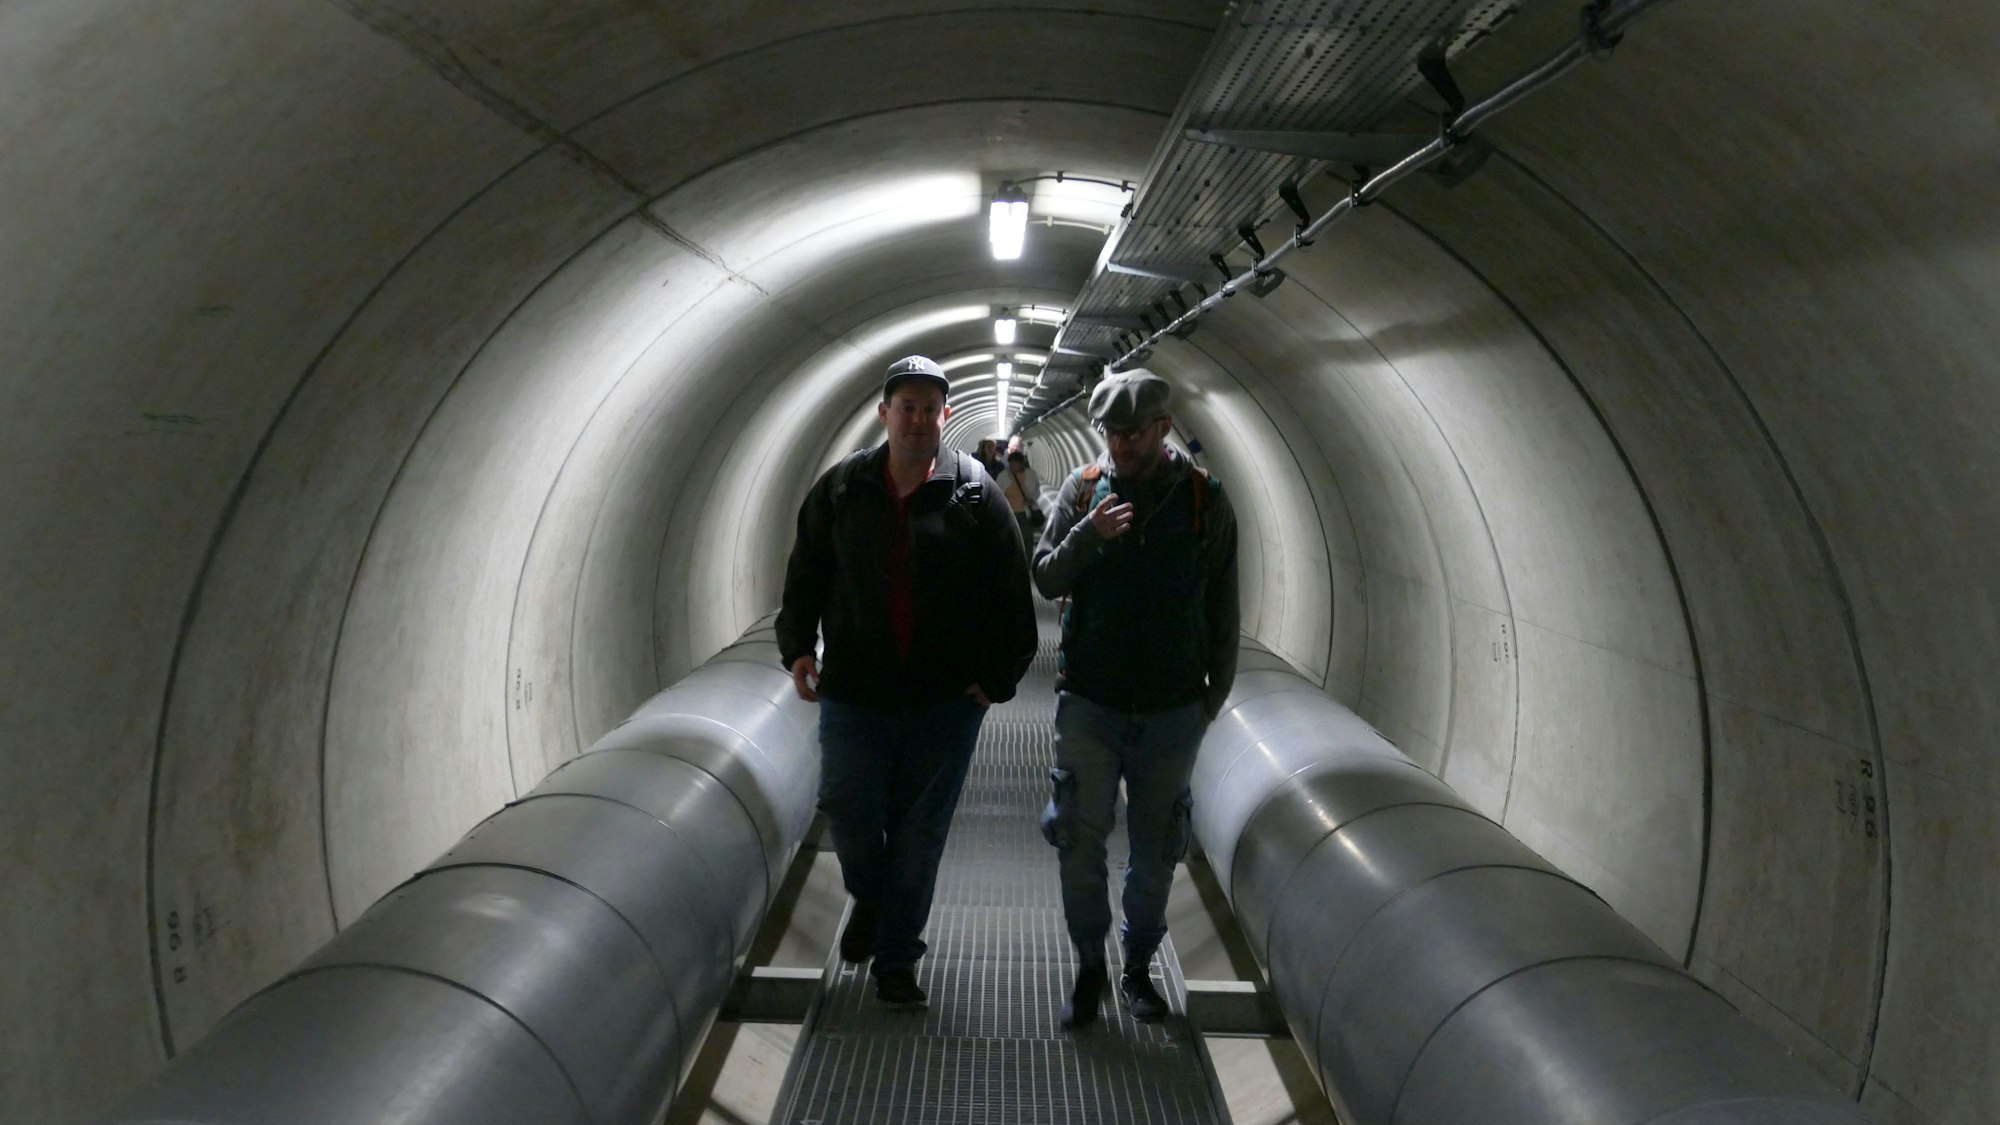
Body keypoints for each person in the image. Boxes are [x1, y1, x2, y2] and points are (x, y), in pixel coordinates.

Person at [777, 354, 1039, 1010]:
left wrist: (997, 680)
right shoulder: (841, 489)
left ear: (945, 415)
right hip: (855, 691)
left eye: (930, 408)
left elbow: (1014, 590)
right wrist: (797, 646)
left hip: (944, 701)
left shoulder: (975, 493)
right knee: (847, 808)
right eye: (907, 406)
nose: (918, 419)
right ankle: (871, 897)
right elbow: (806, 570)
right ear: (884, 412)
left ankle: (896, 957)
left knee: (919, 834)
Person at [1030, 370, 1239, 1028]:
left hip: (1173, 709)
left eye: (1132, 433)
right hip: (1090, 700)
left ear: (1162, 428)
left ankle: (1137, 965)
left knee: (1156, 851)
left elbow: (1224, 606)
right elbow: (1045, 575)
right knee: (1079, 840)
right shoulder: (1084, 489)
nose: (1118, 445)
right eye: (1110, 433)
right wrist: (1090, 533)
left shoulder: (1204, 500)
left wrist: (1212, 699)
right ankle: (1089, 966)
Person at [1000, 449, 1043, 559]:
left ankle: (1027, 563)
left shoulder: (1030, 475)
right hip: (1010, 513)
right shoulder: (1003, 476)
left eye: (1015, 464)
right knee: (1012, 539)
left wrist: (1032, 499)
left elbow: (1036, 491)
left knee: (1027, 539)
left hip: (1024, 513)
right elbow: (999, 493)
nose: (1013, 467)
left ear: (1020, 463)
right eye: (1011, 464)